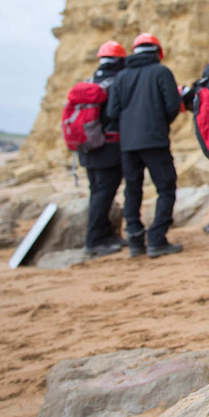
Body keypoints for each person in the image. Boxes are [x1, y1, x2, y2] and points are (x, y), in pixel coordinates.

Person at [106, 33, 184, 258]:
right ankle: (157, 239)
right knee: (166, 188)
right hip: (155, 140)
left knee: (132, 190)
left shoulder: (121, 76)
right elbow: (173, 105)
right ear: (157, 51)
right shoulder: (161, 72)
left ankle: (135, 241)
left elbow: (112, 112)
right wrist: (158, 122)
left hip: (128, 144)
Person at [82, 41, 127, 257]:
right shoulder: (116, 83)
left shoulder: (89, 81)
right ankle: (94, 240)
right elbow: (115, 113)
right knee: (105, 193)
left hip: (86, 147)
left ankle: (106, 234)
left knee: (96, 192)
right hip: (108, 147)